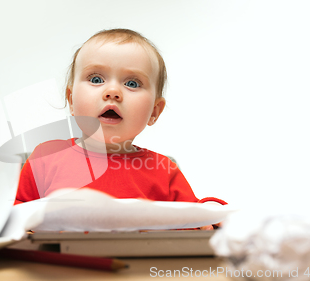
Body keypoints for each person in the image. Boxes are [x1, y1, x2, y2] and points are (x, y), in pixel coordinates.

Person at [15, 29, 226, 229]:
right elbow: (13, 217)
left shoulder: (164, 169)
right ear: (71, 100)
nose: (113, 92)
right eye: (96, 79)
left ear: (154, 111)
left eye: (132, 83)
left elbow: (195, 218)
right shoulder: (45, 157)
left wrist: (211, 209)